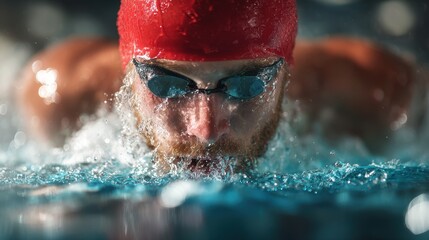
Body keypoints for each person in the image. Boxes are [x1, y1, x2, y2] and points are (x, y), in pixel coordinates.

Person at [16, 0, 414, 172]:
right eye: (167, 83)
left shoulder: (377, 95)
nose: (206, 130)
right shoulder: (59, 97)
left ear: (284, 74)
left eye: (245, 85)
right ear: (129, 75)